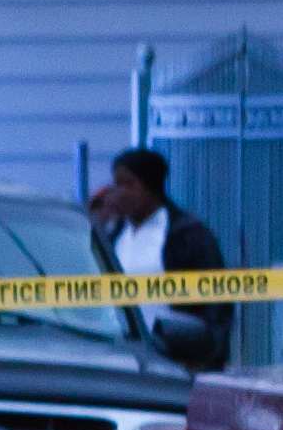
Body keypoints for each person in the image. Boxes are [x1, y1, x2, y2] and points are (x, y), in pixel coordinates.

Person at [89, 146, 233, 369]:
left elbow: (217, 303)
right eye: (117, 184)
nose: (120, 193)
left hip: (174, 362)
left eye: (129, 184)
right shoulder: (113, 235)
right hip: (118, 358)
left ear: (151, 187)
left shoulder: (187, 235)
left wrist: (208, 355)